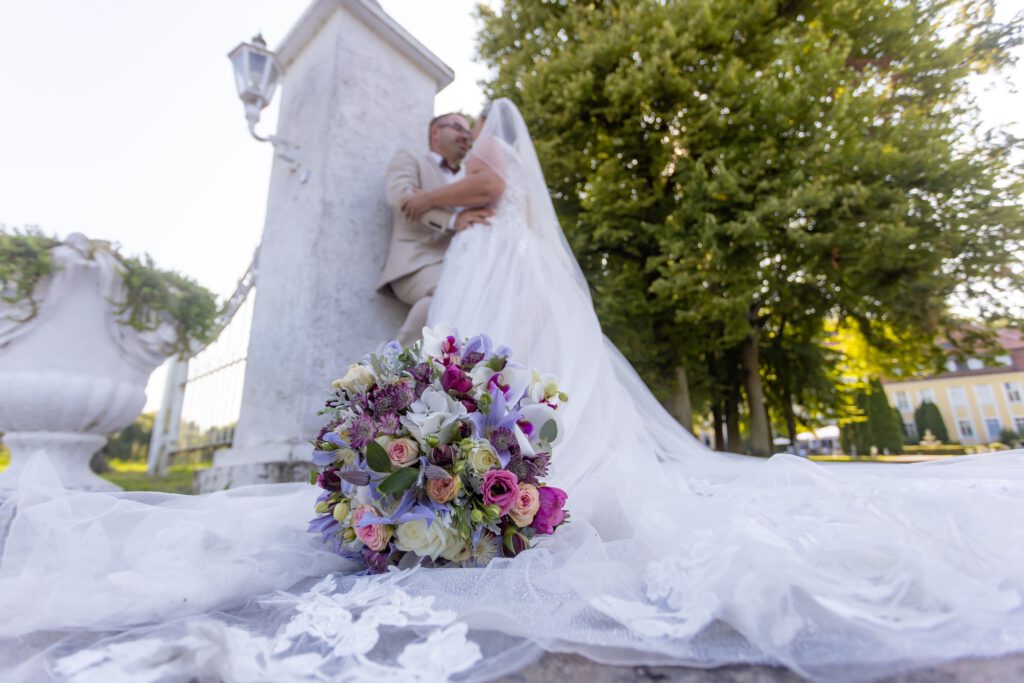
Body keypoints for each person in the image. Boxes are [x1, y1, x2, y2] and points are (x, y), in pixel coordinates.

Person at [2, 100, 1024, 683]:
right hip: (489, 264)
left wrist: (421, 197)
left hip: (492, 258)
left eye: (448, 123)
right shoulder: (484, 171)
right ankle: (476, 460)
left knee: (495, 361)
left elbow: (484, 192)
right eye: (441, 130)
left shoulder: (485, 150)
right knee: (485, 364)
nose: (446, 132)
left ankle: (502, 465)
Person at [378, 112, 494, 347]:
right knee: (450, 290)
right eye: (458, 128)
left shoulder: (467, 174)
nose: (466, 135)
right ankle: (394, 369)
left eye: (467, 130)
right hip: (416, 263)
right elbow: (401, 197)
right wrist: (453, 220)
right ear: (435, 132)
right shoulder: (410, 158)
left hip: (457, 262)